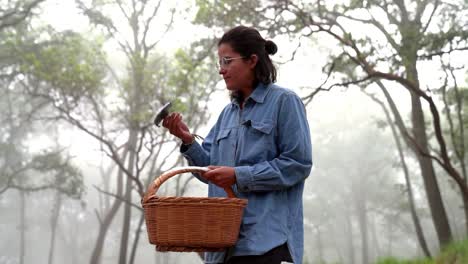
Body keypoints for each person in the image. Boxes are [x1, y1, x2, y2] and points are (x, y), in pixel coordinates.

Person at [162, 25, 312, 264]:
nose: (222, 70)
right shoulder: (227, 115)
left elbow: (297, 164)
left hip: (267, 246)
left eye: (227, 61)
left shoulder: (285, 102)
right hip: (223, 247)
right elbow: (210, 172)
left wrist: (239, 175)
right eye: (219, 63)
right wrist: (188, 140)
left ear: (252, 60)